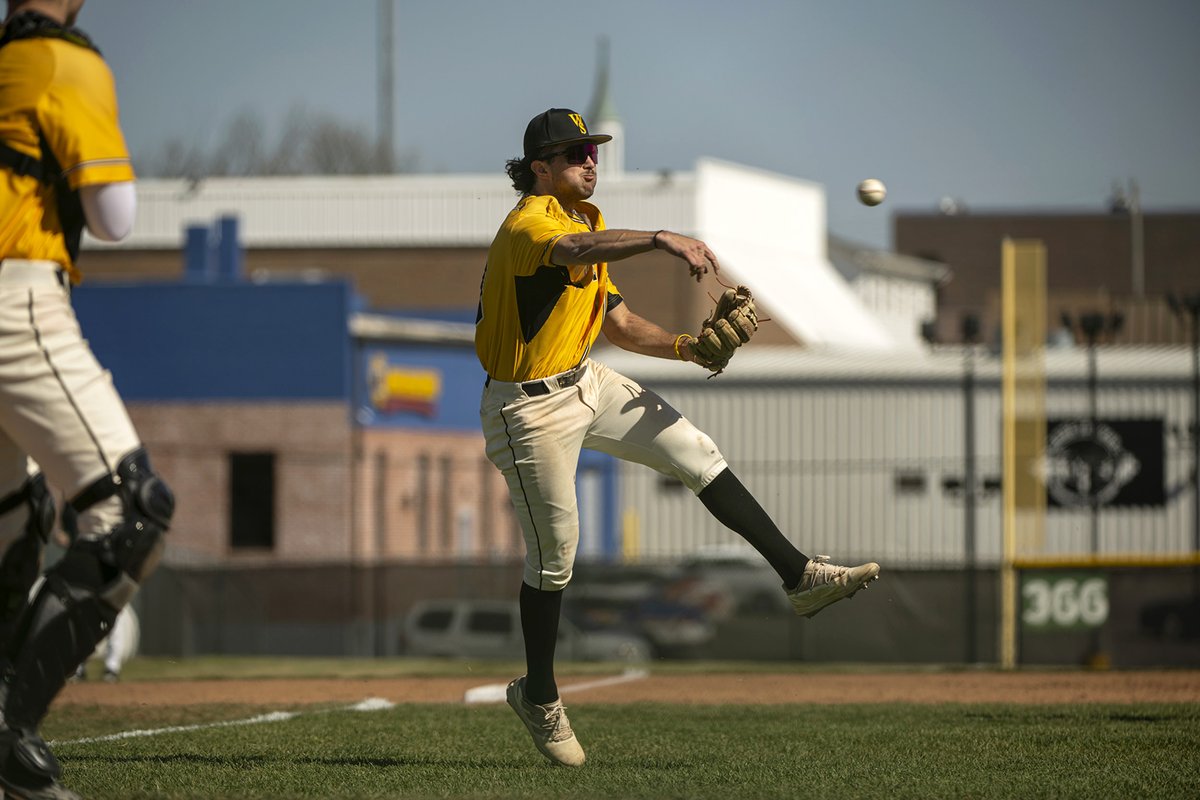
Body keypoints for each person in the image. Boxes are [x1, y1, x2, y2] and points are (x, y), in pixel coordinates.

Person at [475, 108, 880, 768]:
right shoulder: (531, 225)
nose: (590, 159)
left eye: (593, 149)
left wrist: (690, 347)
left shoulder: (588, 221)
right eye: (575, 151)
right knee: (556, 560)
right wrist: (663, 236)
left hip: (585, 380)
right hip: (527, 410)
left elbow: (621, 323)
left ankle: (799, 576)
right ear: (540, 168)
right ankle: (539, 695)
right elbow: (571, 254)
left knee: (696, 450)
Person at [0, 1, 174, 797]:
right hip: (16, 300)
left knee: (17, 520)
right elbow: (115, 218)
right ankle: (8, 740)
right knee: (130, 513)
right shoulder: (63, 60)